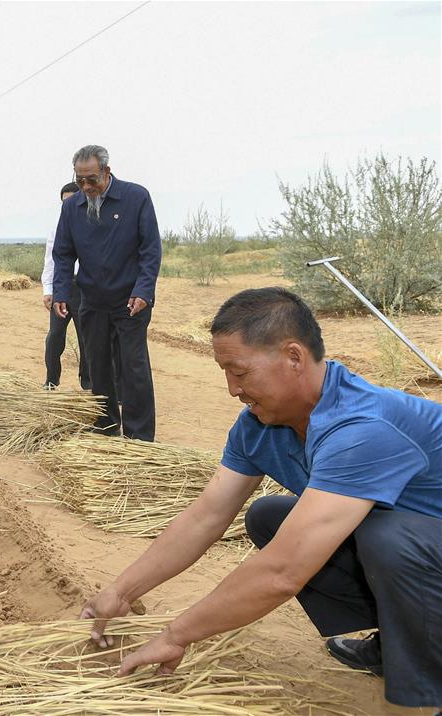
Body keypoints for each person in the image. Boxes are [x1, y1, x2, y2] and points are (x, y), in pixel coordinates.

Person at [80, 287, 442, 711]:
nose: (232, 388)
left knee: (388, 538)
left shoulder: (361, 428)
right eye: (225, 372)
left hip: (420, 547)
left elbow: (284, 571)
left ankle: (425, 689)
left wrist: (175, 635)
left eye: (240, 371)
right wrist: (121, 592)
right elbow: (206, 516)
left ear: (293, 357)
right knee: (270, 516)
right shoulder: (259, 424)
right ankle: (394, 640)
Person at [52, 145, 161, 440]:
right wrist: (61, 292)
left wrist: (144, 290)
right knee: (97, 365)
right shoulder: (71, 207)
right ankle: (106, 425)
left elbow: (151, 250)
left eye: (92, 180)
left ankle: (139, 436)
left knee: (133, 367)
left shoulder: (136, 198)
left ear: (107, 172)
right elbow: (63, 254)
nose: (86, 187)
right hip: (92, 299)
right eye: (80, 181)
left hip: (130, 301)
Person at [41, 182, 90, 390]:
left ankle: (88, 382)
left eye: (71, 201)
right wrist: (48, 290)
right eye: (63, 202)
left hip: (85, 289)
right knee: (54, 337)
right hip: (62, 288)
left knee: (85, 338)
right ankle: (51, 380)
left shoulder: (91, 225)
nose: (67, 206)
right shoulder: (57, 228)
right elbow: (50, 260)